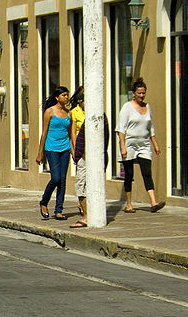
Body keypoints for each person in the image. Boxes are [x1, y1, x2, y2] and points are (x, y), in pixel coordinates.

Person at [116, 77, 165, 213]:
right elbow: (121, 128)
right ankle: (129, 204)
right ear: (134, 93)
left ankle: (153, 202)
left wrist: (155, 144)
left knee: (146, 172)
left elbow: (151, 128)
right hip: (130, 144)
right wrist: (122, 146)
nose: (142, 96)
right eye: (139, 93)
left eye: (144, 93)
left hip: (144, 144)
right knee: (129, 174)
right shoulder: (127, 107)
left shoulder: (147, 107)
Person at [69, 87, 110, 228]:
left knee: (83, 187)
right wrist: (75, 151)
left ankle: (86, 216)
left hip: (89, 158)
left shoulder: (96, 116)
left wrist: (80, 154)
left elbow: (102, 139)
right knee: (84, 187)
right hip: (85, 156)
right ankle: (87, 214)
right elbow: (75, 134)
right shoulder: (82, 114)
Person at [36, 86, 72, 221]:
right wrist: (40, 153)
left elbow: (70, 133)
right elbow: (44, 132)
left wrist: (72, 149)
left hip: (65, 149)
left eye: (67, 95)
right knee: (56, 178)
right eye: (63, 95)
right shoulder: (49, 112)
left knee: (62, 180)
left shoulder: (68, 113)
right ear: (57, 98)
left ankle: (58, 210)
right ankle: (44, 202)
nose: (66, 97)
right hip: (52, 149)